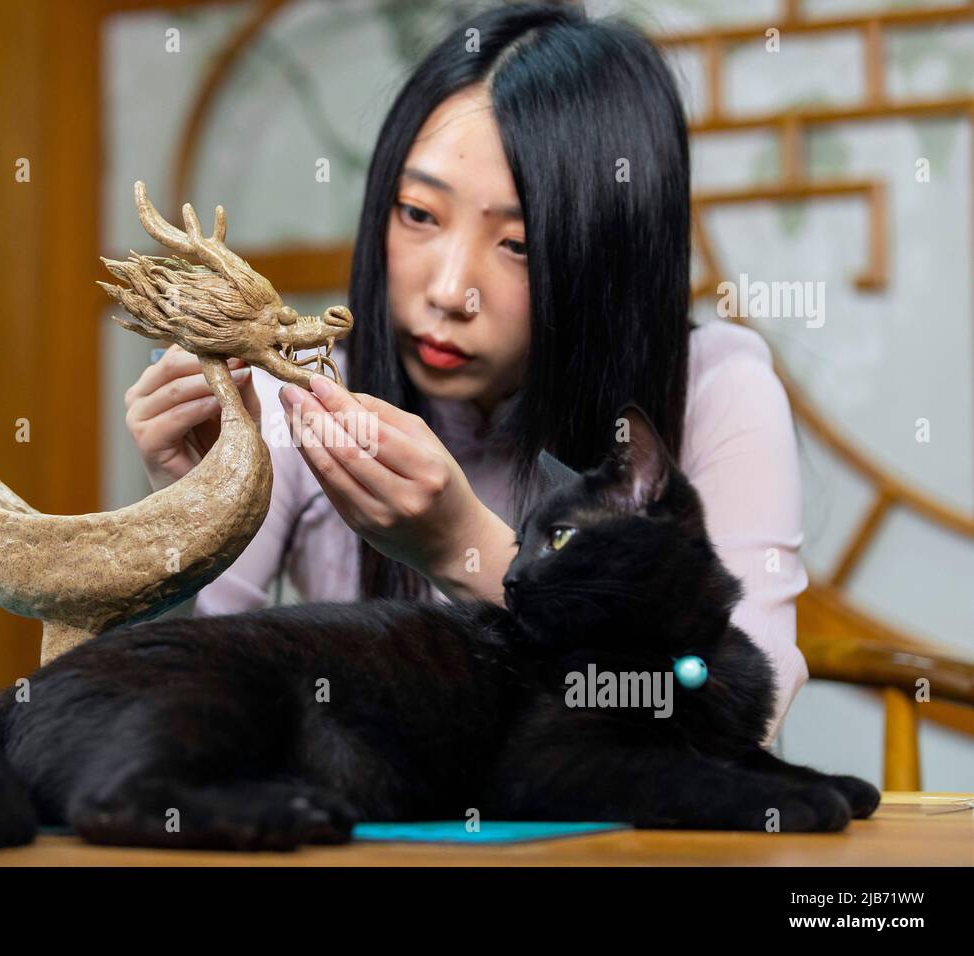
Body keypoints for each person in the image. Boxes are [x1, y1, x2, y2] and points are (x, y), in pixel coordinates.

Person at [121, 3, 808, 746]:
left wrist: (461, 548)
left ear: (609, 253)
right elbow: (194, 683)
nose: (449, 290)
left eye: (518, 244)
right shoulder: (315, 401)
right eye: (418, 213)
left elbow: (744, 719)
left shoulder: (714, 389)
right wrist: (192, 518)